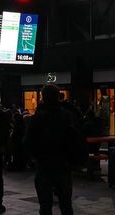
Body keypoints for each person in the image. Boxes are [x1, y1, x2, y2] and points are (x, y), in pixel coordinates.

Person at [25, 84, 75, 215]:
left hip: (44, 164)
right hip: (63, 164)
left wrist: (33, 157)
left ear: (43, 97)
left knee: (45, 205)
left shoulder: (37, 117)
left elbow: (28, 141)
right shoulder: (67, 116)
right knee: (66, 204)